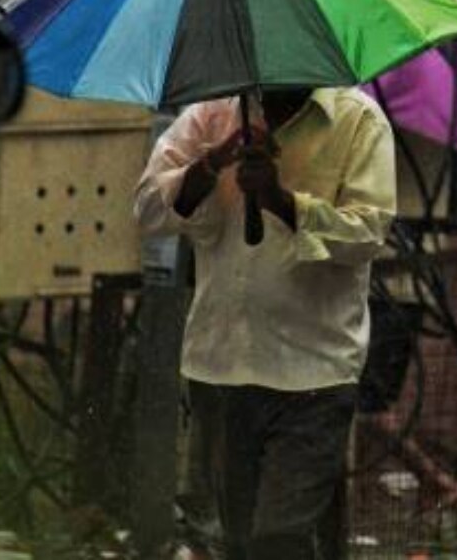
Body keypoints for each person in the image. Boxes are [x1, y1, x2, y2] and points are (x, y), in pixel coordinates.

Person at [135, 87, 396, 560]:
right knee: (238, 539)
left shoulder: (358, 120)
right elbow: (149, 208)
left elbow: (367, 233)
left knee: (279, 537)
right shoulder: (210, 116)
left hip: (313, 374)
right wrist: (212, 164)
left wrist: (280, 200)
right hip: (223, 369)